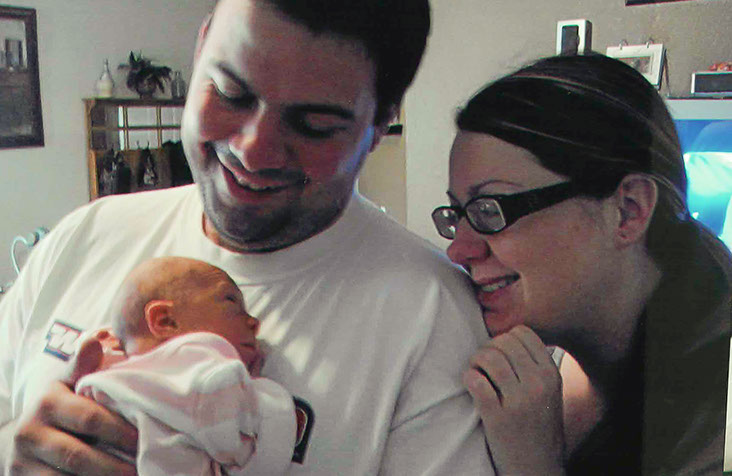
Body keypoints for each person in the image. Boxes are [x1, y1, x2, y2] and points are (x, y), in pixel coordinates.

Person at [0, 0, 492, 475]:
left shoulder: (432, 315)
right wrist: (11, 452)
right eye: (231, 93)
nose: (254, 151)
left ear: (380, 124)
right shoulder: (84, 235)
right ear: (201, 48)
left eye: (314, 126)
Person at [431, 53, 731, 475]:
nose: (459, 250)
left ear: (628, 211)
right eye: (458, 214)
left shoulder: (717, 432)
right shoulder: (556, 360)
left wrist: (534, 466)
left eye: (490, 210)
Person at [74, 256, 297, 475]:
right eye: (231, 303)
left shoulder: (106, 377)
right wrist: (259, 391)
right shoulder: (199, 368)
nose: (254, 322)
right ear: (166, 321)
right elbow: (258, 453)